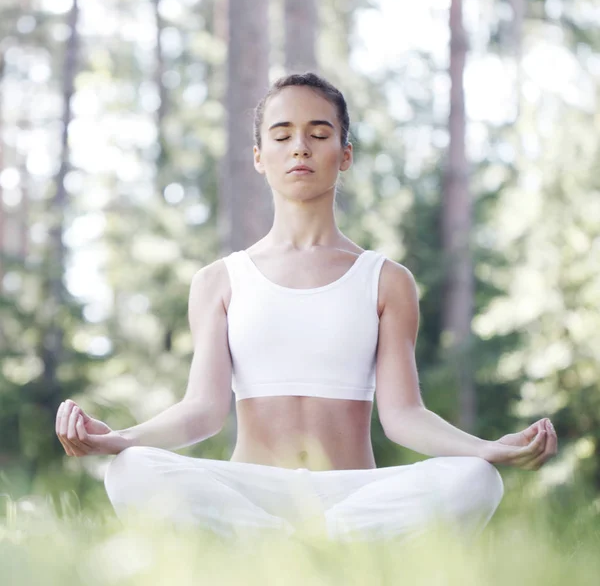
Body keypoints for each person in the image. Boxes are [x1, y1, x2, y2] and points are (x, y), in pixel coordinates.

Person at [55, 72, 558, 543]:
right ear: (259, 156)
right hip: (249, 490)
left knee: (476, 480)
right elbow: (203, 412)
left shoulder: (386, 280)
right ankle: (306, 548)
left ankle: (284, 549)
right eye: (282, 134)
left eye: (319, 134)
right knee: (132, 469)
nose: (300, 146)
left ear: (345, 154)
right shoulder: (218, 280)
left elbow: (403, 415)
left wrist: (485, 449)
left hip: (353, 494)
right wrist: (119, 439)